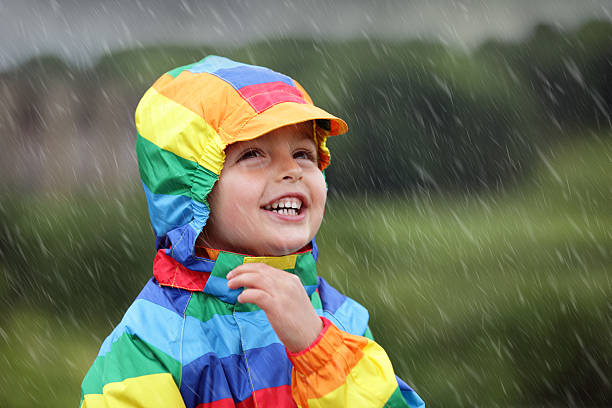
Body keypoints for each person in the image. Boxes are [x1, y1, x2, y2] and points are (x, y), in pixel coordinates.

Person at [79, 55, 425, 408]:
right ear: (194, 192)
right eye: (253, 154)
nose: (291, 170)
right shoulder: (151, 342)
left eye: (303, 153)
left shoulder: (340, 324)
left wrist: (318, 351)